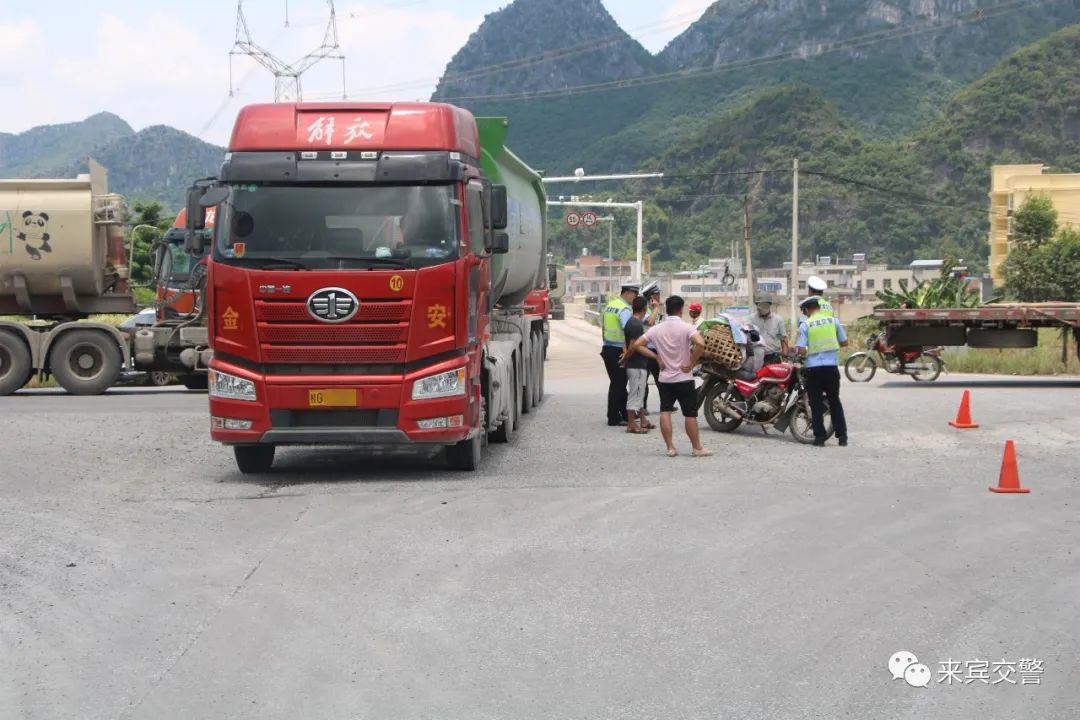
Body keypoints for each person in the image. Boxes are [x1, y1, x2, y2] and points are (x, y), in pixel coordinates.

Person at [632, 295, 712, 457]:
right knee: (689, 414)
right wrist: (692, 362)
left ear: (666, 310)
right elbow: (701, 343)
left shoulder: (657, 329)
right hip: (684, 378)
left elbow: (637, 345)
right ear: (681, 310)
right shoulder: (687, 328)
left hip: (665, 378)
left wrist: (656, 357)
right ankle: (697, 448)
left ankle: (670, 448)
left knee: (665, 411)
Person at [795, 296, 849, 447]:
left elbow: (801, 350)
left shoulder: (806, 324)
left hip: (814, 369)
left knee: (816, 403)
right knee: (835, 402)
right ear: (818, 307)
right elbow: (845, 342)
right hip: (831, 368)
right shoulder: (834, 321)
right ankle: (842, 437)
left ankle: (819, 438)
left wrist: (801, 352)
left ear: (806, 310)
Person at [601, 283, 638, 426]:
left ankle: (623, 413)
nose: (634, 299)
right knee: (618, 384)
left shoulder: (611, 305)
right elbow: (627, 333)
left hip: (607, 348)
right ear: (628, 293)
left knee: (618, 384)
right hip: (619, 351)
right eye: (634, 296)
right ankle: (613, 417)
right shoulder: (624, 310)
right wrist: (627, 353)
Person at [620, 296, 651, 434]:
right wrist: (625, 359)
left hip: (637, 364)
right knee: (635, 393)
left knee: (640, 392)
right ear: (644, 309)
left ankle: (643, 420)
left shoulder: (630, 322)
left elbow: (625, 343)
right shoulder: (636, 325)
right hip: (636, 364)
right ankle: (631, 424)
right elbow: (633, 347)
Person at [749, 295, 788, 365]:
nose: (760, 307)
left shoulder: (778, 320)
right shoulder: (751, 319)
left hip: (773, 357)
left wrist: (785, 358)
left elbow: (783, 338)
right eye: (758, 304)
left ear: (769, 305)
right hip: (757, 357)